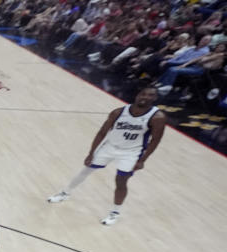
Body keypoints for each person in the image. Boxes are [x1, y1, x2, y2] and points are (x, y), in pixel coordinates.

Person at [47, 87, 165, 226]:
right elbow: (102, 132)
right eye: (143, 93)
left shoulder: (157, 117)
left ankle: (115, 212)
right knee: (85, 170)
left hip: (131, 152)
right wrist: (91, 153)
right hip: (109, 147)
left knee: (121, 181)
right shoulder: (119, 112)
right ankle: (65, 193)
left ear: (155, 98)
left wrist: (142, 160)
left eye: (150, 95)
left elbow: (155, 140)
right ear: (137, 95)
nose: (145, 97)